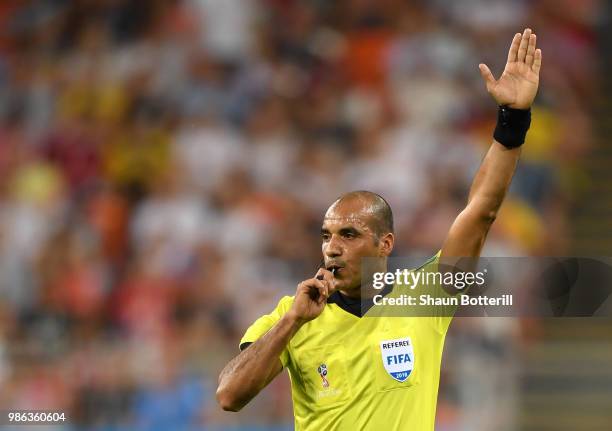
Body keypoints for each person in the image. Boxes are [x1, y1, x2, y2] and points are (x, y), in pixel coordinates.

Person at [216, 28, 542, 430]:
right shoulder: (292, 314)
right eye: (326, 236)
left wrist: (512, 121)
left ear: (385, 242)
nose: (332, 248)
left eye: (348, 235)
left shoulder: (425, 297)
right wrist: (291, 323)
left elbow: (480, 212)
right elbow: (229, 396)